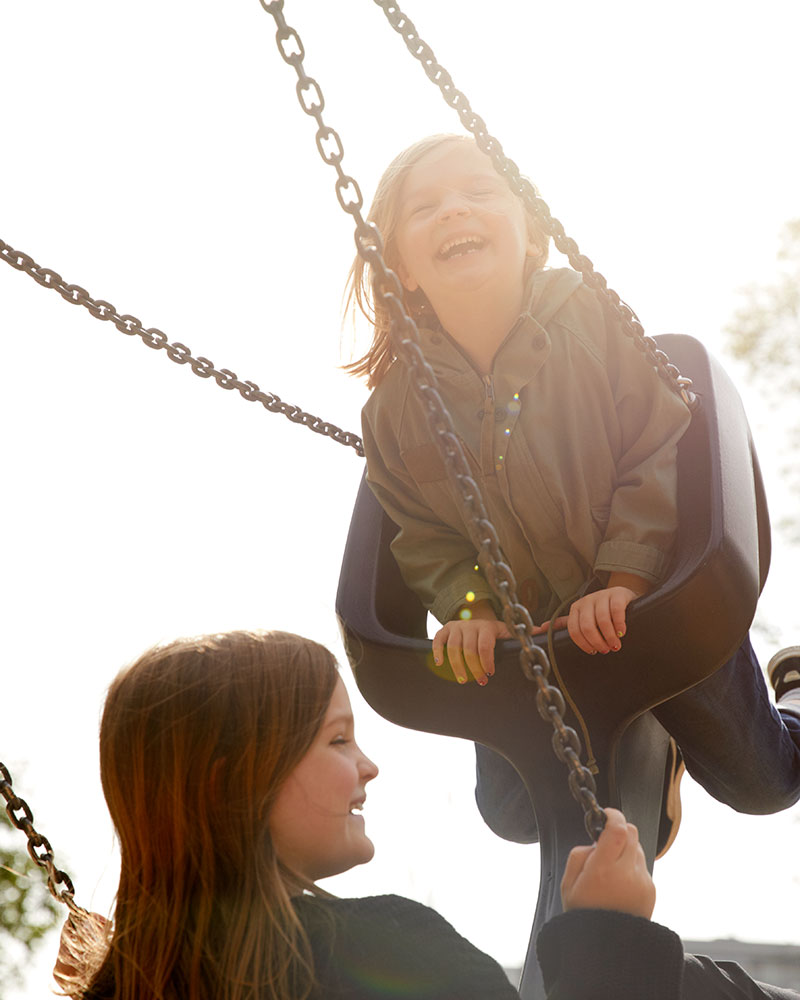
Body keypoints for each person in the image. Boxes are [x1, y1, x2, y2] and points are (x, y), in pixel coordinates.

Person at [348, 132, 800, 844]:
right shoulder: (398, 409)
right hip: (536, 640)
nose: (453, 211)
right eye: (424, 207)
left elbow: (658, 448)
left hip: (659, 610)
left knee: (766, 782)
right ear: (398, 266)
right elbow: (424, 536)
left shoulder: (589, 321)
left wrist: (625, 577)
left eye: (479, 192)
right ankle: (648, 754)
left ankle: (794, 689)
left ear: (530, 232)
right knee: (514, 815)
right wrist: (473, 609)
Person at [53, 628, 798, 999]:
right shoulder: (380, 958)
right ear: (236, 781)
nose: (368, 766)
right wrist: (609, 936)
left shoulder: (126, 985)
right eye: (338, 739)